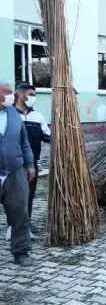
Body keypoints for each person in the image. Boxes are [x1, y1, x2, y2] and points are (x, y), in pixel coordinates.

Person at [5, 82, 50, 241]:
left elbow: (48, 136)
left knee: (29, 196)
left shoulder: (37, 116)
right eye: (31, 94)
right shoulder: (9, 115)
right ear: (20, 95)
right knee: (12, 198)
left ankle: (26, 225)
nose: (33, 98)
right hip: (13, 164)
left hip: (32, 163)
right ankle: (12, 227)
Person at [0, 80, 35, 266]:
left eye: (11, 93)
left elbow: (24, 142)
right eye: (5, 93)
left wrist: (30, 165)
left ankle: (21, 251)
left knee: (20, 213)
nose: (10, 97)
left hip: (15, 172)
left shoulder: (13, 113)